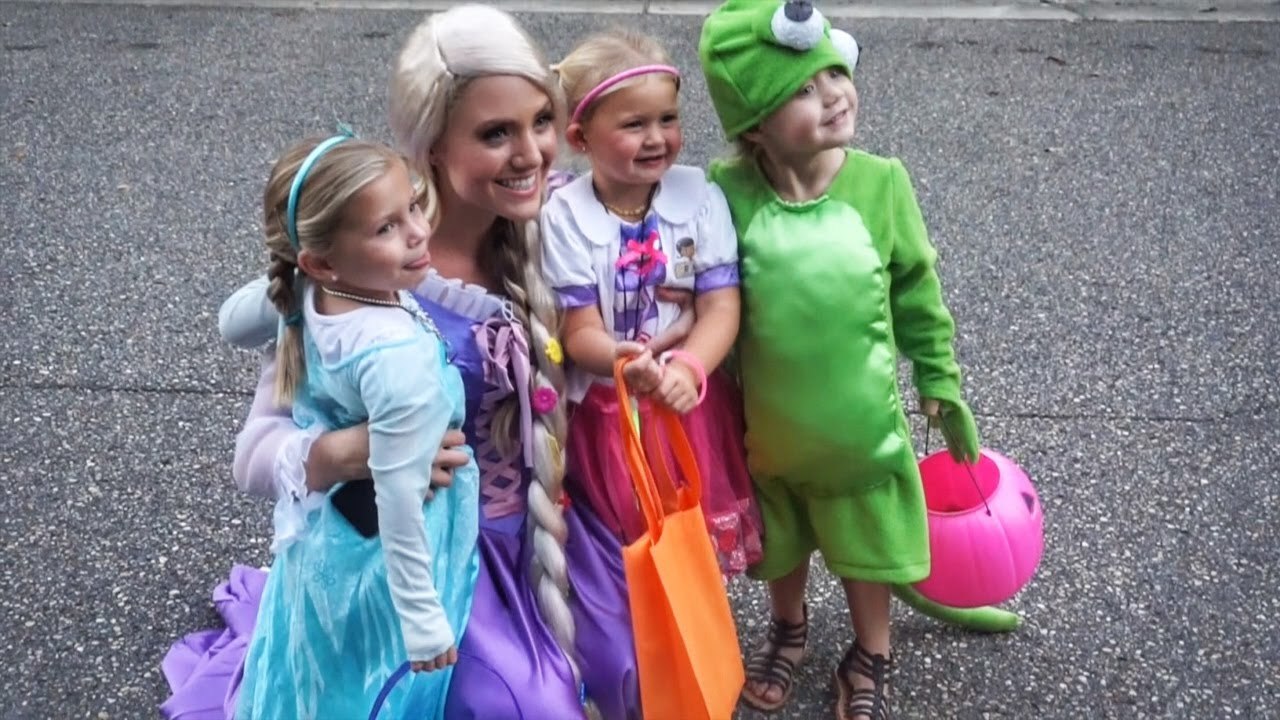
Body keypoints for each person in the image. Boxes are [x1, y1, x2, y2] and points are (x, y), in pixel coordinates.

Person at [162, 6, 640, 720]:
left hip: (553, 526)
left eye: (541, 120)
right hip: (436, 548)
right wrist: (345, 452)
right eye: (493, 133)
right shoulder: (365, 272)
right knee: (529, 707)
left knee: (633, 670)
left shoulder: (563, 230)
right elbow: (253, 453)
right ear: (432, 149)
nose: (532, 153)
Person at [697, 2, 1007, 717]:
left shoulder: (880, 182)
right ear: (755, 126)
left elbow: (917, 292)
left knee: (866, 545)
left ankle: (872, 650)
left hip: (862, 433)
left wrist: (939, 379)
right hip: (769, 433)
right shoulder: (728, 191)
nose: (834, 91)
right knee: (783, 540)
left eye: (836, 70)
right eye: (803, 89)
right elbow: (705, 290)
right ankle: (790, 625)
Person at [229, 132, 479, 718]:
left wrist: (292, 277)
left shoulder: (316, 294)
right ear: (322, 257)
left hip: (325, 541)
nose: (418, 231)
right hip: (394, 555)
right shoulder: (396, 359)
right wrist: (422, 620)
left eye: (413, 206)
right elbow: (399, 497)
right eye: (386, 227)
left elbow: (231, 323)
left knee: (322, 671)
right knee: (374, 681)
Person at [541, 29, 762, 578]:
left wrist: (691, 366)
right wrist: (620, 358)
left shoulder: (700, 199)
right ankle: (636, 648)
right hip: (607, 409)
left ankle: (692, 642)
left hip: (687, 401)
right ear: (582, 135)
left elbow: (720, 307)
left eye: (667, 119)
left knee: (690, 540)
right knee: (625, 544)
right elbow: (579, 329)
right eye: (634, 125)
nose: (657, 137)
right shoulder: (564, 218)